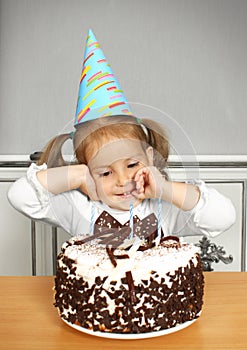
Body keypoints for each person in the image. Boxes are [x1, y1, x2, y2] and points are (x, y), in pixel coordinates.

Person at [7, 114, 236, 240]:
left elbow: (223, 217)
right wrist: (76, 175)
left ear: (149, 158)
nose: (122, 179)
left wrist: (165, 188)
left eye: (132, 164)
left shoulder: (165, 209)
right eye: (105, 172)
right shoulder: (79, 208)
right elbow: (20, 195)